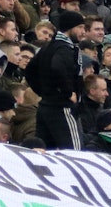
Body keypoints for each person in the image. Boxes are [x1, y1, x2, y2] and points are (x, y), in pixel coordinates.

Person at [26, 10, 84, 149]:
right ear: (70, 27)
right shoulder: (64, 48)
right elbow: (57, 67)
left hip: (45, 106)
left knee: (44, 152)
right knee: (74, 152)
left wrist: (44, 92)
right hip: (62, 108)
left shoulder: (48, 46)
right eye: (80, 27)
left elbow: (29, 70)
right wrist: (68, 92)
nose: (83, 32)